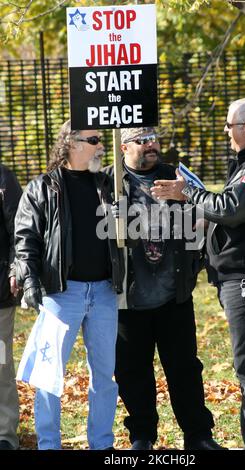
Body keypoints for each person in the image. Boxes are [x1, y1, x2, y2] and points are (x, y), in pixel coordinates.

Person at [151, 97, 245, 450]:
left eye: (229, 125)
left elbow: (232, 208)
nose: (226, 132)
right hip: (242, 275)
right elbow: (234, 213)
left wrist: (190, 193)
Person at [104, 127, 225, 451]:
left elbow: (211, 215)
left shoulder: (177, 176)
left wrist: (187, 203)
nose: (151, 145)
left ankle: (198, 435)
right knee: (132, 372)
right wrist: (107, 215)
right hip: (128, 298)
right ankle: (142, 435)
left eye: (154, 138)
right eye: (142, 140)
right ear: (124, 147)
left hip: (174, 294)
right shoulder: (108, 182)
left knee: (185, 369)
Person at [14, 120, 124, 450]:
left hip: (104, 292)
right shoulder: (43, 187)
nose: (101, 146)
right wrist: (30, 279)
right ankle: (49, 445)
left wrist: (124, 211)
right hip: (61, 294)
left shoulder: (108, 185)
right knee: (49, 378)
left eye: (101, 140)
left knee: (105, 377)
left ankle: (102, 446)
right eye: (94, 140)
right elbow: (25, 238)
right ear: (71, 143)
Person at [0, 164, 22, 450]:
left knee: (0, 363)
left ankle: (5, 433)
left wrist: (16, 268)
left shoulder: (4, 177)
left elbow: (19, 230)